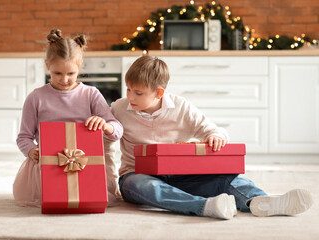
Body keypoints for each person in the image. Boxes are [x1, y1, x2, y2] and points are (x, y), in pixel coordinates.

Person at [105, 55, 313, 220]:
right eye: (129, 89)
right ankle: (204, 206)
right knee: (137, 185)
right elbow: (106, 135)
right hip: (138, 176)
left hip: (182, 177)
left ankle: (262, 201)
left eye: (139, 93)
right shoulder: (119, 108)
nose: (131, 97)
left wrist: (215, 136)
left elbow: (214, 130)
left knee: (229, 179)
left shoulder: (181, 107)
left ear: (159, 93)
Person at [13, 29, 123, 207]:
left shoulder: (90, 94)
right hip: (48, 166)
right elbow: (24, 137)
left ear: (80, 66)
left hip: (86, 164)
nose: (64, 79)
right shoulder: (36, 97)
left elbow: (117, 130)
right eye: (57, 73)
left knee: (91, 196)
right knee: (52, 197)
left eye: (71, 74)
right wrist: (32, 151)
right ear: (47, 65)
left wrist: (106, 125)